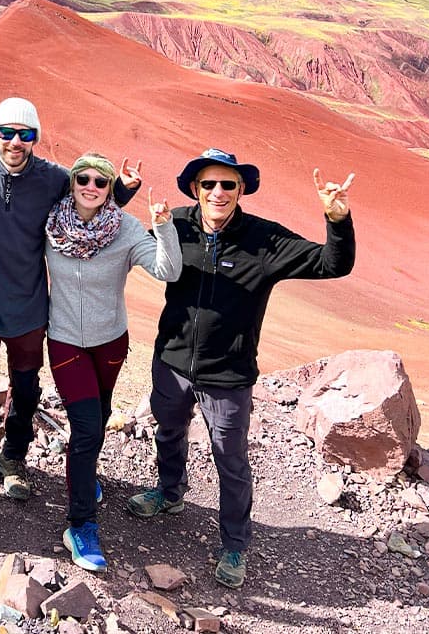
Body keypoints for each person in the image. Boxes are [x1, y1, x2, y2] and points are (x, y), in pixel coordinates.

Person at [127, 147, 356, 590]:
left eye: (227, 184)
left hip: (228, 375)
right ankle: (169, 492)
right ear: (195, 188)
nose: (217, 192)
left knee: (230, 459)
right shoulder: (173, 223)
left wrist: (337, 219)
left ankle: (234, 543)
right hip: (171, 361)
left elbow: (333, 264)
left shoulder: (264, 240)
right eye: (208, 184)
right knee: (168, 431)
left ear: (241, 190)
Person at [0, 97, 141, 527]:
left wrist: (123, 191)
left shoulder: (53, 179)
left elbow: (89, 200)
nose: (16, 141)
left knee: (26, 393)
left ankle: (12, 459)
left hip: (29, 313)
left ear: (35, 138)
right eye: (7, 132)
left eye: (25, 134)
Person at [45, 153, 183, 572]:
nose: (90, 186)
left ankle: (86, 479)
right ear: (72, 183)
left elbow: (168, 270)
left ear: (109, 190)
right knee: (85, 426)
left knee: (101, 416)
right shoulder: (50, 224)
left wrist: (163, 225)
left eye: (100, 182)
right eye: (82, 178)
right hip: (64, 340)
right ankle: (81, 525)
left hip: (110, 343)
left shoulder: (124, 229)